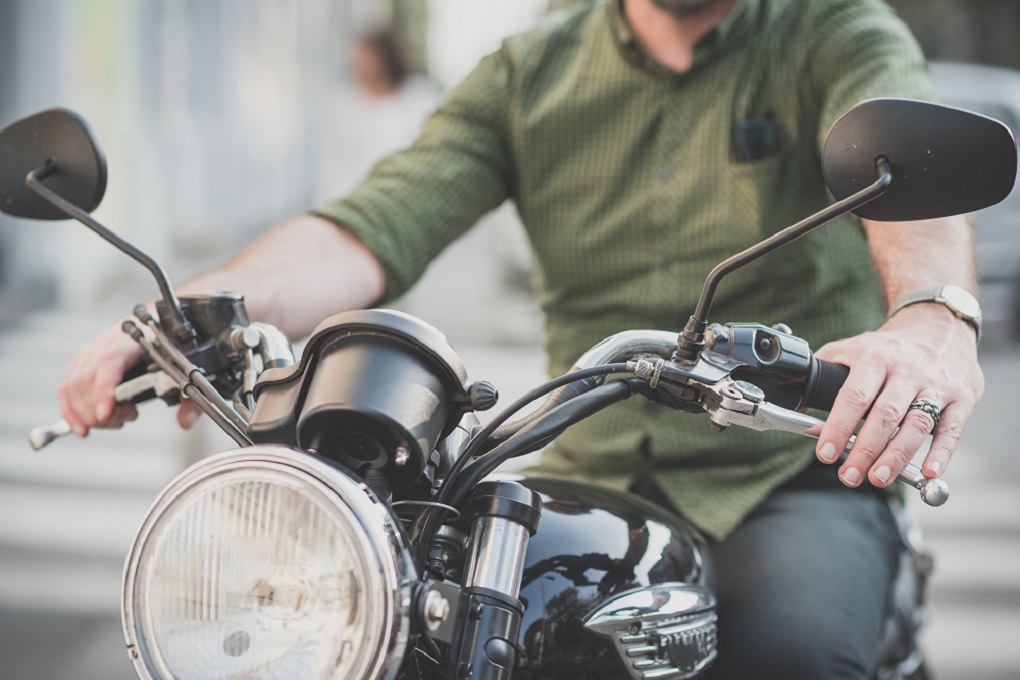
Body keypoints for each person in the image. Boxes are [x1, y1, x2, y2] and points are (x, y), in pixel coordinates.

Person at [57, 0, 983, 677]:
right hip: (587, 462)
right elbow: (374, 223)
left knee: (791, 653)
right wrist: (203, 304)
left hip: (788, 462)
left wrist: (931, 316)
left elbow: (915, 188)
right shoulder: (526, 73)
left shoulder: (832, 31)